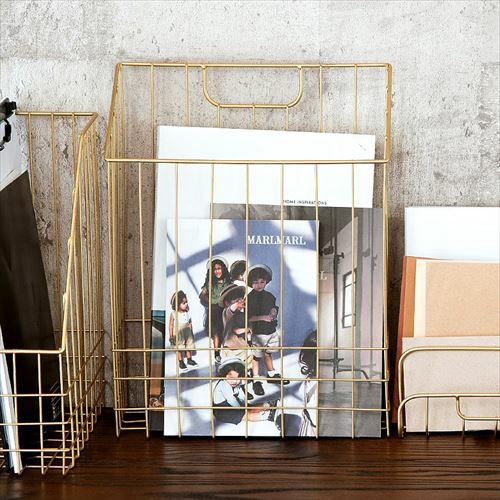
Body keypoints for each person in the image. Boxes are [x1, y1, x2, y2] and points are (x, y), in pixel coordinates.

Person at [247, 264, 289, 396]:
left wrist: (273, 311)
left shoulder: (270, 296)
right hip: (258, 333)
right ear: (251, 283)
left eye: (262, 282)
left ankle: (271, 374)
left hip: (271, 331)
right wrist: (263, 317)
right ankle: (256, 379)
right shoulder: (249, 298)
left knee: (268, 353)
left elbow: (273, 307)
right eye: (255, 282)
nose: (259, 285)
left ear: (266, 282)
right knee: (256, 356)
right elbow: (248, 317)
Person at [212, 357, 278, 425]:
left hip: (233, 405)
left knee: (249, 406)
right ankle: (269, 415)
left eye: (238, 378)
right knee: (246, 415)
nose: (235, 381)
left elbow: (241, 395)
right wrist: (241, 408)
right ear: (224, 376)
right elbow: (231, 400)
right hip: (222, 410)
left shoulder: (235, 384)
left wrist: (244, 403)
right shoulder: (224, 385)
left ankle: (269, 404)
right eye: (231, 378)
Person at [199, 256, 231, 363]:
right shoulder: (210, 283)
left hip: (225, 310)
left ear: (223, 269)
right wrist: (211, 301)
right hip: (214, 311)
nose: (217, 271)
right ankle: (217, 354)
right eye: (215, 269)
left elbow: (231, 293)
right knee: (216, 333)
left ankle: (228, 352)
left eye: (219, 268)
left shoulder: (227, 282)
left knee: (227, 331)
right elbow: (202, 295)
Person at [169, 290, 198, 373]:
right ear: (177, 304)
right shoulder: (174, 314)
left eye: (186, 302)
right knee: (179, 347)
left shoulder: (187, 313)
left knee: (189, 346)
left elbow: (190, 323)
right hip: (179, 333)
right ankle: (181, 361)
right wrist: (171, 335)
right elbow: (171, 325)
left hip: (187, 332)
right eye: (183, 303)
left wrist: (191, 332)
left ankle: (189, 360)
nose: (186, 304)